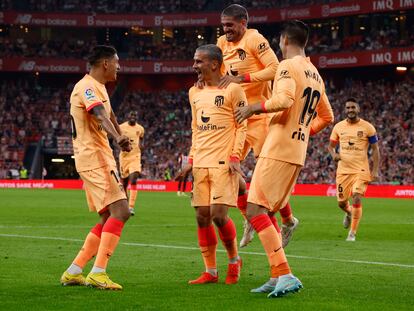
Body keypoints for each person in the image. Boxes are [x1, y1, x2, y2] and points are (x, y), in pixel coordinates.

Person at [235, 20, 334, 297]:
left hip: (278, 148)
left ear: (284, 40)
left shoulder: (287, 66)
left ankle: (285, 273)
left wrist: (254, 107)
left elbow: (285, 100)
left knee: (254, 210)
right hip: (296, 150)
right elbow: (328, 117)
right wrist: (303, 131)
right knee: (264, 210)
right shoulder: (315, 73)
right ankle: (276, 274)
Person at [217, 4, 298, 248]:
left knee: (267, 176)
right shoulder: (222, 42)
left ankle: (288, 220)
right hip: (236, 116)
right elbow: (221, 75)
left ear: (244, 22)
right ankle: (249, 219)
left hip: (260, 115)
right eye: (223, 25)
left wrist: (242, 78)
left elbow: (275, 69)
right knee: (228, 168)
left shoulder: (255, 39)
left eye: (230, 25)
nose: (226, 30)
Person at [60, 45, 132, 290]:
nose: (119, 67)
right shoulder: (87, 86)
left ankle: (74, 270)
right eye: (117, 62)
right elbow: (100, 114)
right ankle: (98, 272)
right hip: (95, 157)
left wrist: (121, 136)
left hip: (94, 157)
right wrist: (116, 138)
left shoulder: (99, 87)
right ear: (105, 64)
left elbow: (110, 116)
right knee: (121, 211)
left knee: (107, 217)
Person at [177, 44, 247, 285]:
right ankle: (211, 271)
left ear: (214, 64)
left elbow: (241, 126)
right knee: (202, 216)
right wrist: (190, 160)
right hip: (201, 162)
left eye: (199, 61)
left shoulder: (234, 90)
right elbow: (196, 129)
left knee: (218, 215)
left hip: (223, 162)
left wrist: (235, 156)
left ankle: (234, 260)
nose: (194, 65)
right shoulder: (193, 92)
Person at [328, 98, 380, 242]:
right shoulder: (338, 127)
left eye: (353, 107)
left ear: (358, 109)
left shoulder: (368, 127)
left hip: (361, 169)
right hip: (343, 170)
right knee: (341, 203)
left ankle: (352, 233)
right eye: (348, 108)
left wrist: (375, 171)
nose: (350, 110)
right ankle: (349, 212)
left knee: (356, 196)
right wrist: (334, 154)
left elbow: (376, 150)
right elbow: (330, 146)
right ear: (345, 110)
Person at [119, 111, 145, 216]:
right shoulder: (121, 127)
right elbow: (115, 140)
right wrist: (120, 148)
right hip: (124, 157)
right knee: (124, 183)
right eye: (131, 115)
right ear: (127, 116)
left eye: (135, 115)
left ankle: (131, 207)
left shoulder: (140, 129)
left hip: (135, 156)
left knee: (133, 179)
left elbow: (142, 139)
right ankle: (125, 205)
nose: (133, 117)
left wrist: (141, 146)